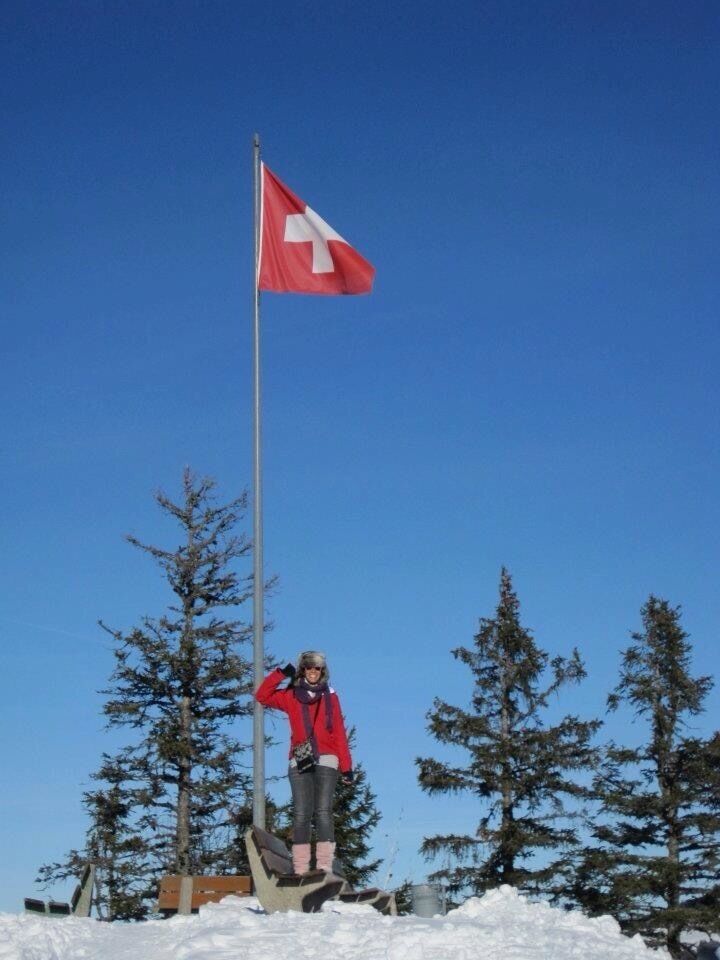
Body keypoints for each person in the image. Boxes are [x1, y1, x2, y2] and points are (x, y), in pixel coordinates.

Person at [255, 650, 353, 875]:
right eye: (308, 668)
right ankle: (300, 871)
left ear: (322, 671)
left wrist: (346, 767)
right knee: (301, 813)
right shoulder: (290, 696)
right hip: (299, 759)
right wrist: (280, 674)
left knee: (323, 811)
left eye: (316, 668)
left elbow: (338, 731)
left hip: (327, 758)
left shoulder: (331, 697)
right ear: (302, 670)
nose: (312, 672)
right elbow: (262, 695)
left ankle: (324, 868)